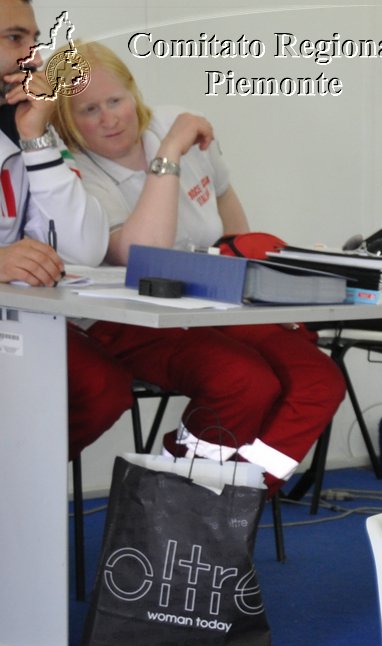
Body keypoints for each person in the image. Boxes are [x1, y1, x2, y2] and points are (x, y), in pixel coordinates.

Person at [51, 41, 343, 490]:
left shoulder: (174, 119)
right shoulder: (76, 171)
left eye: (116, 100)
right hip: (130, 317)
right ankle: (176, 502)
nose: (109, 118)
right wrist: (168, 153)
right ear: (67, 122)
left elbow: (229, 212)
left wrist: (252, 290)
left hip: (209, 300)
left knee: (319, 380)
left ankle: (242, 495)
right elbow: (140, 257)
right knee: (244, 381)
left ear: (134, 92)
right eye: (89, 109)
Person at [0, 0, 127, 459]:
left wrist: (35, 138)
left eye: (33, 41)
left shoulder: (27, 125)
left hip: (17, 321)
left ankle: (22, 507)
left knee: (102, 388)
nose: (32, 56)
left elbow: (85, 248)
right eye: (15, 39)